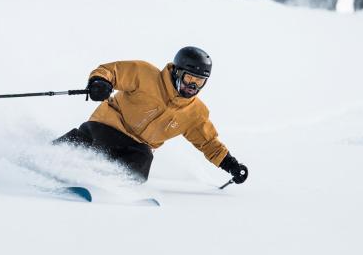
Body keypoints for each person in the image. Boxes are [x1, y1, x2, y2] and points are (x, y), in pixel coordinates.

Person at [53, 46, 248, 184]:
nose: (192, 87)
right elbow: (111, 71)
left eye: (199, 82)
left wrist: (231, 165)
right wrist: (100, 82)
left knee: (141, 163)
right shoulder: (145, 74)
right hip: (108, 125)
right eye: (189, 78)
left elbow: (208, 143)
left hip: (138, 147)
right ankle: (54, 154)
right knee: (99, 141)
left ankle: (105, 184)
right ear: (177, 72)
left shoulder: (195, 113)